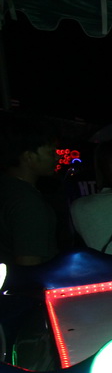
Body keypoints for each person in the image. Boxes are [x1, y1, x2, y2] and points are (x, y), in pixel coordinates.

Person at [0, 111, 60, 265]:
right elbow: (29, 265)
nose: (57, 157)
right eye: (51, 152)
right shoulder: (28, 202)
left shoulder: (8, 189)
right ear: (29, 157)